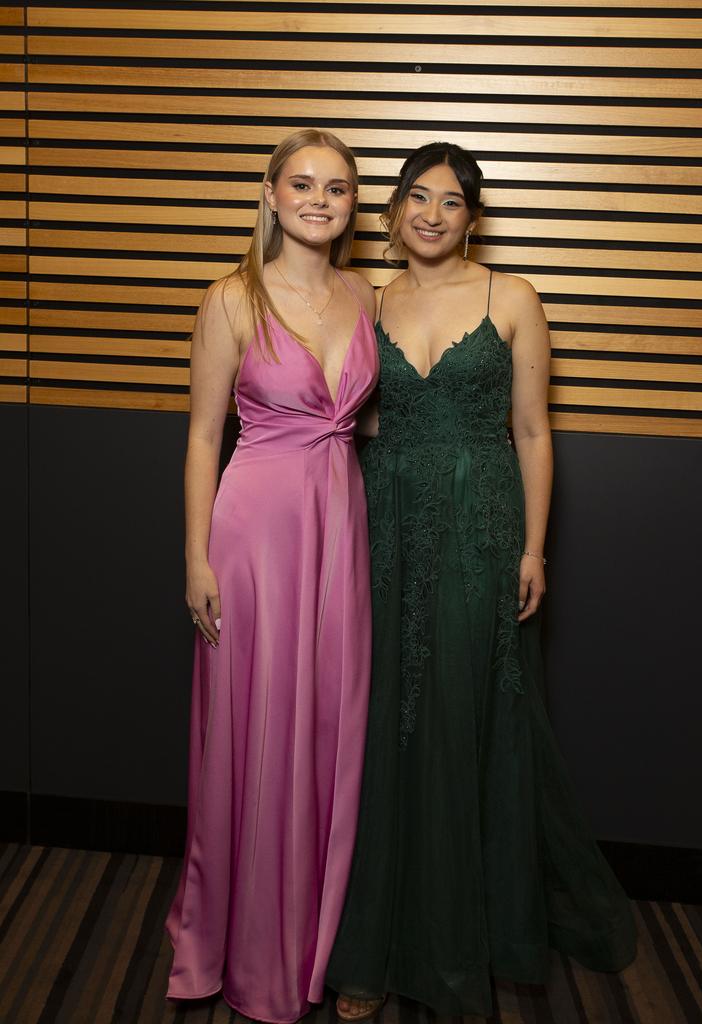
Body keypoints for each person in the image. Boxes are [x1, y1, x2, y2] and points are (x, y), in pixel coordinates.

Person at [327, 142, 637, 1020]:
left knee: (472, 718)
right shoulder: (368, 301)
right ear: (391, 210)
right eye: (417, 198)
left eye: (451, 202)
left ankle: (476, 932)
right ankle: (373, 949)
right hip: (386, 522)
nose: (432, 214)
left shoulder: (514, 297)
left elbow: (534, 433)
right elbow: (352, 421)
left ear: (473, 215)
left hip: (483, 527)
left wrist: (535, 550)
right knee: (388, 720)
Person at [165, 129, 378, 1023]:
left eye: (337, 187)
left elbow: (369, 427)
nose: (320, 200)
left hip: (341, 525)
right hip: (254, 532)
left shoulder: (367, 294)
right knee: (255, 729)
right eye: (303, 183)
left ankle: (312, 938)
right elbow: (203, 437)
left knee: (330, 725)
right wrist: (195, 556)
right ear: (271, 192)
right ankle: (235, 946)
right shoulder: (231, 298)